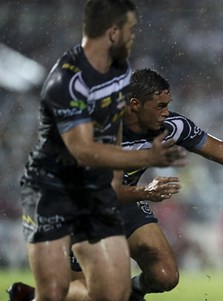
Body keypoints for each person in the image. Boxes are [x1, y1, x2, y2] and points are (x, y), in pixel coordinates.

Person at [9, 68, 223, 301]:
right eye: (159, 106)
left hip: (123, 201)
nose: (167, 113)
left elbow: (222, 150)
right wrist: (147, 192)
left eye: (167, 105)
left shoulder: (170, 126)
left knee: (165, 276)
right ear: (134, 105)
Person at [8, 1, 188, 301]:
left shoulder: (115, 75)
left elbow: (110, 139)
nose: (133, 37)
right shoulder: (69, 79)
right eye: (130, 30)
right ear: (113, 32)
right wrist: (147, 159)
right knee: (74, 293)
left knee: (111, 292)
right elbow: (82, 149)